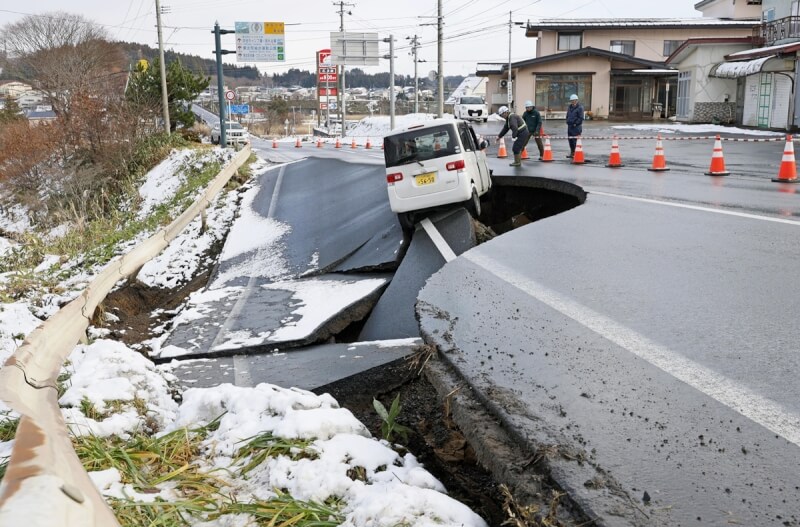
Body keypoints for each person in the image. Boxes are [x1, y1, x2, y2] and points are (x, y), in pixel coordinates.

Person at [566, 93, 584, 158]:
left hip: (576, 127)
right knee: (570, 140)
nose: (573, 102)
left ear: (576, 100)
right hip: (570, 126)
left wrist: (575, 123)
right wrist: (567, 121)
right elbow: (568, 115)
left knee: (575, 141)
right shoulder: (570, 107)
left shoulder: (580, 108)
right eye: (572, 101)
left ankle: (577, 154)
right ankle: (572, 152)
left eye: (574, 100)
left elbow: (581, 118)